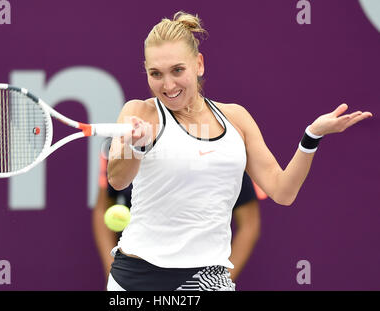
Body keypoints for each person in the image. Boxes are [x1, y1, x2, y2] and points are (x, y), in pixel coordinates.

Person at [105, 11, 373, 291]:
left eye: (177, 70)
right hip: (136, 281)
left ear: (199, 64)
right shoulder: (137, 112)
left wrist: (312, 136)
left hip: (209, 277)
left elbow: (283, 191)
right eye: (155, 74)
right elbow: (118, 179)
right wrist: (135, 146)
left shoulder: (236, 118)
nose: (168, 85)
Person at [93, 140, 264, 283]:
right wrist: (114, 274)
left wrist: (218, 282)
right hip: (135, 275)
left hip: (195, 275)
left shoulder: (224, 144)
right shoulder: (124, 140)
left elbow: (249, 224)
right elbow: (103, 208)